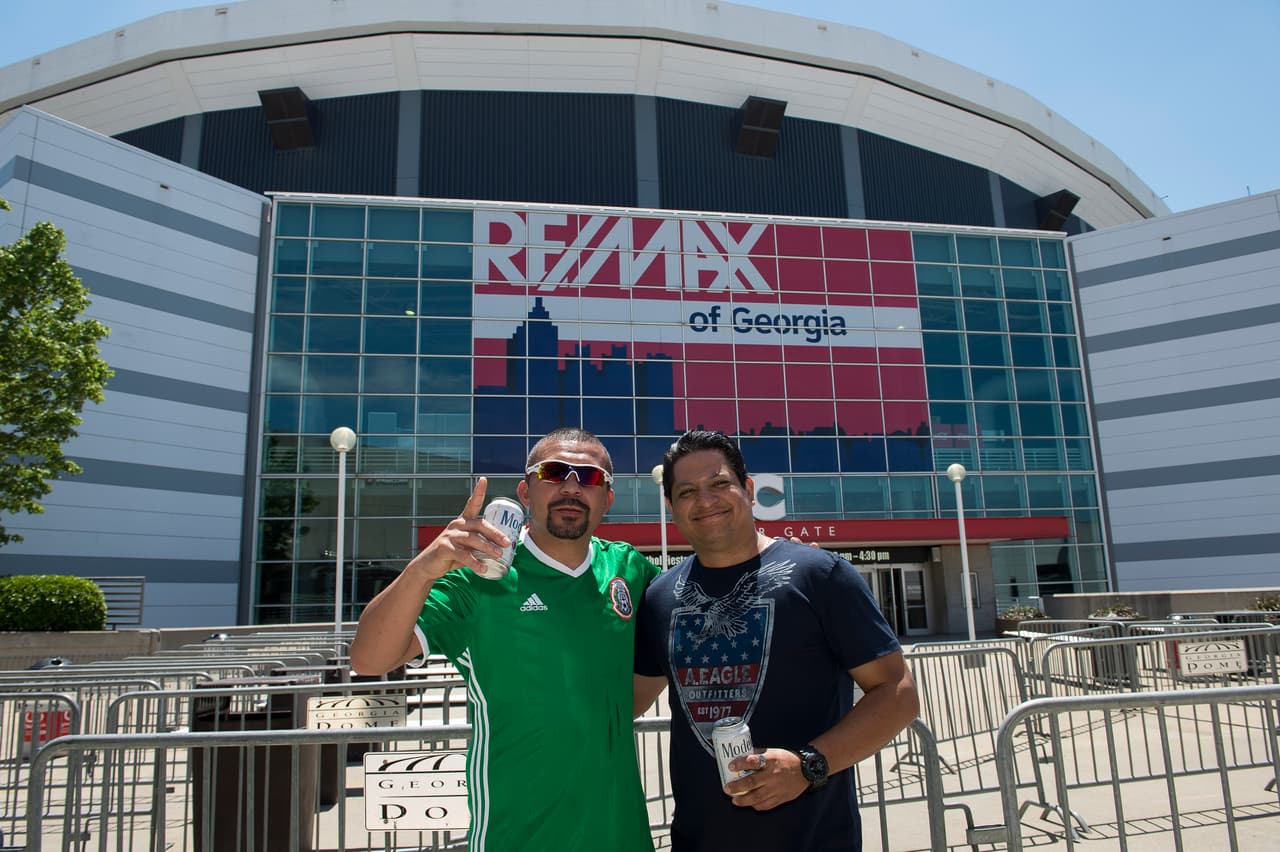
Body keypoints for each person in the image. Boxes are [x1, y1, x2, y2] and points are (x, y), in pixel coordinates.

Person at [350, 427, 659, 852]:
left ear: (607, 498)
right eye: (553, 472)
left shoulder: (630, 569)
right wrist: (423, 568)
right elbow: (368, 659)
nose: (571, 486)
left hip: (623, 835)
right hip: (516, 836)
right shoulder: (477, 577)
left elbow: (684, 628)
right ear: (525, 493)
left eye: (589, 477)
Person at [633, 430, 919, 851]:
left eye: (719, 483)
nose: (706, 500)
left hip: (813, 840)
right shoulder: (660, 596)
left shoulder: (821, 575)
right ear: (670, 505)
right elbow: (620, 702)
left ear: (748, 490)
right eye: (688, 491)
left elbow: (897, 693)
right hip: (698, 840)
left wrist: (809, 765)